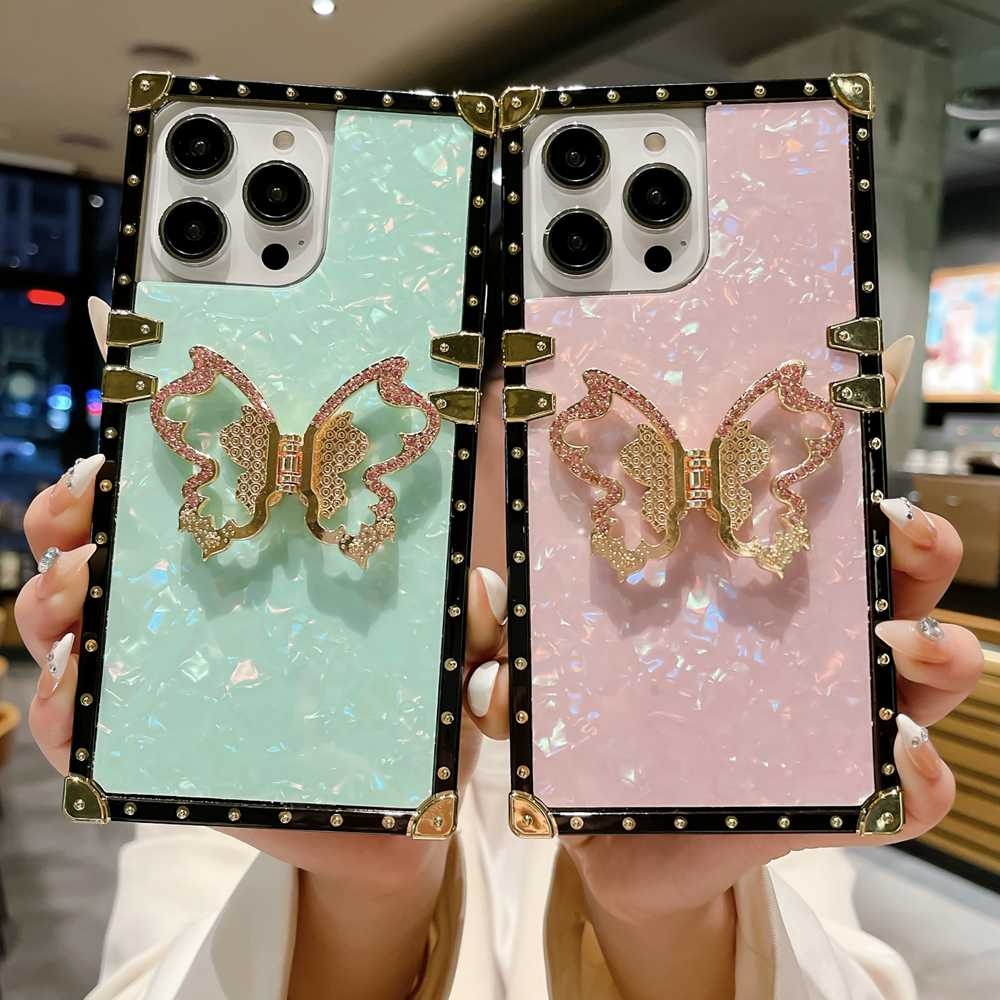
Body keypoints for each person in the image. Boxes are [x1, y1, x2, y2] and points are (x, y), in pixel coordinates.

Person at [15, 300, 983, 1000]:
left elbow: (846, 969)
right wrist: (360, 897)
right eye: (518, 413)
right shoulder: (258, 689)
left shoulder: (730, 701)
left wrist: (670, 919)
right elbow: (153, 965)